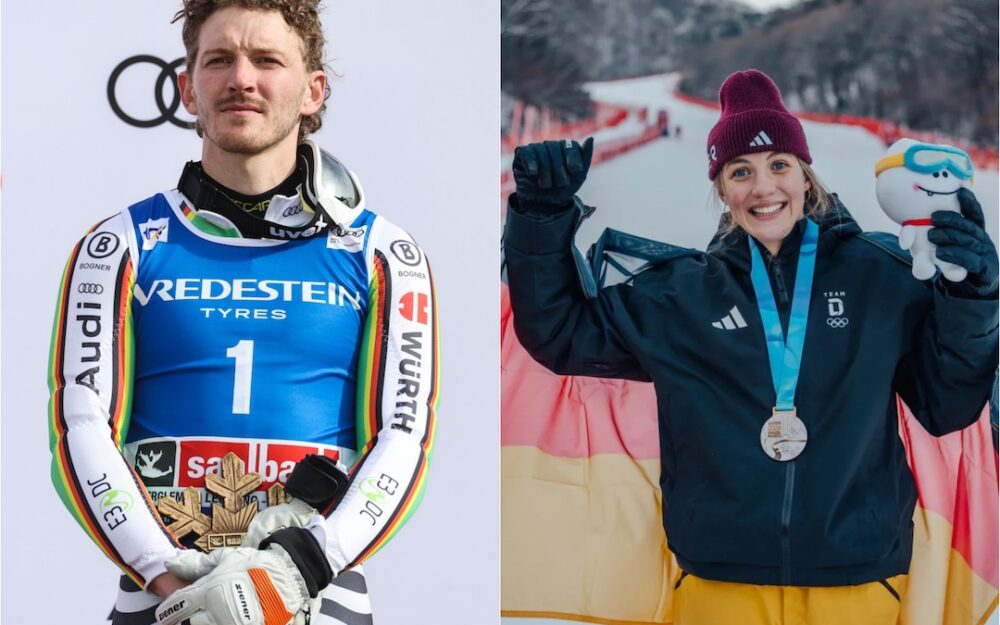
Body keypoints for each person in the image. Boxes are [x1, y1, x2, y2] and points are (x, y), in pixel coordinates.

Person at [504, 69, 997, 624]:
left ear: (807, 178)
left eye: (779, 166)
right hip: (718, 587)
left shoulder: (882, 276)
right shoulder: (681, 294)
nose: (764, 188)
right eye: (741, 172)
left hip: (860, 583)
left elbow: (948, 404)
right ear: (722, 188)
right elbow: (560, 334)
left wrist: (973, 295)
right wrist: (541, 221)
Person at [47, 2, 438, 624]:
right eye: (219, 59)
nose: (242, 79)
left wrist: (297, 568)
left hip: (317, 593)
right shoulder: (117, 245)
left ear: (313, 90)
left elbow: (404, 436)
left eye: (267, 60)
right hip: (162, 595)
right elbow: (81, 426)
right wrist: (161, 570)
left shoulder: (382, 253)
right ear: (186, 88)